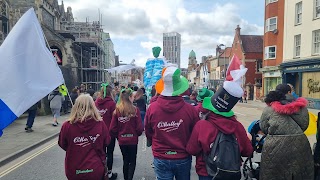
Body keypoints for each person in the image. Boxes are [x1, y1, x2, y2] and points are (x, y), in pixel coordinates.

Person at [187, 84, 253, 180]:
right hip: (230, 173)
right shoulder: (237, 126)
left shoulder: (202, 125)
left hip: (206, 172)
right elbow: (247, 152)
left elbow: (192, 150)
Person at [145, 66, 199, 180]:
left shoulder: (152, 108)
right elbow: (195, 133)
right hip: (182, 156)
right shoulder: (190, 110)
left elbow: (148, 132)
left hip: (161, 156)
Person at [259, 84, 313, 180]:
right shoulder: (302, 108)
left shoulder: (268, 109)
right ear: (289, 92)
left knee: (273, 173)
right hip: (300, 144)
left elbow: (264, 128)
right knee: (299, 173)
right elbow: (304, 125)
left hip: (274, 145)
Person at [58, 94, 110, 180]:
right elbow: (107, 141)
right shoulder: (100, 124)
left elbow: (62, 144)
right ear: (93, 106)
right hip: (95, 169)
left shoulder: (67, 126)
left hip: (74, 169)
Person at [110, 88, 143, 180]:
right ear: (130, 97)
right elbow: (140, 128)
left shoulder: (117, 110)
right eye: (133, 96)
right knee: (132, 161)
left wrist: (119, 136)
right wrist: (136, 134)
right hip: (133, 140)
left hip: (122, 140)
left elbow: (112, 128)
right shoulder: (135, 110)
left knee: (125, 160)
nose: (134, 98)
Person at [95, 83, 118, 180]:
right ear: (110, 92)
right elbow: (114, 118)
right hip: (110, 132)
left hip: (98, 132)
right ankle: (109, 173)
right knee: (110, 153)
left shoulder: (96, 103)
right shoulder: (112, 104)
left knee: (101, 153)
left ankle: (101, 172)